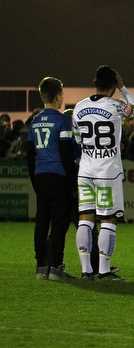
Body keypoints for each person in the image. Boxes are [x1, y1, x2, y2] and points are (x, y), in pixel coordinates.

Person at [72, 66, 134, 281]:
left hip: (85, 170)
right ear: (114, 85)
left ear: (95, 82)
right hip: (107, 171)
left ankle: (86, 271)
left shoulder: (79, 107)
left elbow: (78, 139)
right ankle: (103, 270)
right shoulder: (116, 105)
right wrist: (123, 87)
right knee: (108, 218)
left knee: (85, 217)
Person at [27, 77, 76, 280]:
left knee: (42, 221)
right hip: (58, 176)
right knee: (58, 223)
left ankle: (41, 266)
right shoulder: (63, 120)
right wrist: (72, 184)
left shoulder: (35, 121)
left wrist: (35, 181)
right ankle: (56, 267)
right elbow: (66, 153)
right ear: (58, 96)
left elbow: (30, 155)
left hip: (40, 176)